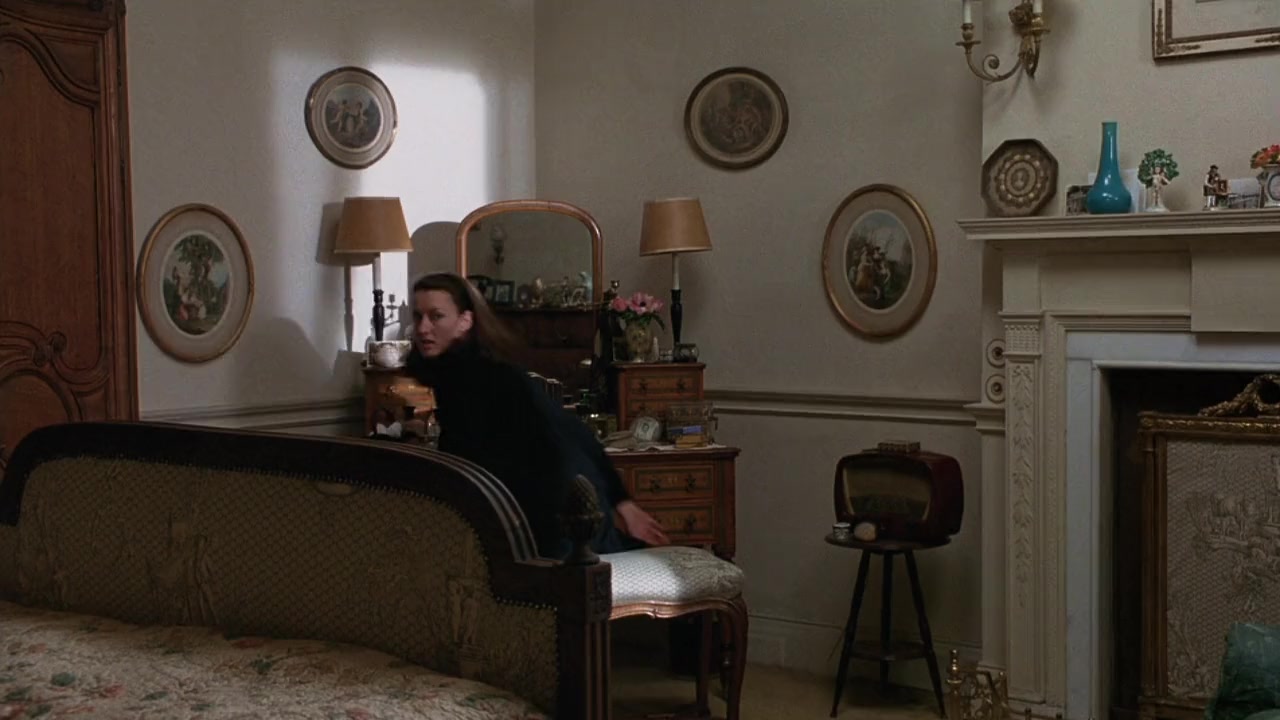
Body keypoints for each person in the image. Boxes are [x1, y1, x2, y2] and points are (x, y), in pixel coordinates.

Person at [404, 271, 669, 558]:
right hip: (508, 516)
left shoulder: (492, 375)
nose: (423, 328)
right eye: (418, 317)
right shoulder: (449, 376)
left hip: (549, 519)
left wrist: (622, 503)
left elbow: (569, 434)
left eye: (436, 316)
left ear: (465, 321)